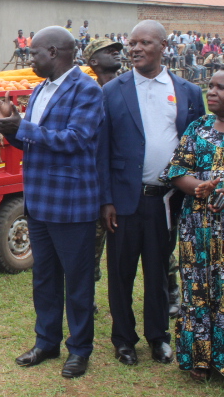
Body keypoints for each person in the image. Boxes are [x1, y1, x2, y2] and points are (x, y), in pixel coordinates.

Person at [0, 26, 103, 379]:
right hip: (39, 201)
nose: (29, 58)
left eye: (34, 53)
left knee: (77, 282)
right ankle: (46, 342)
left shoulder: (87, 91)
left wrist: (23, 126)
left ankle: (79, 350)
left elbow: (75, 140)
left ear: (54, 52)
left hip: (71, 203)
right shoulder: (39, 90)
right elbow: (34, 143)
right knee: (44, 279)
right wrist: (11, 126)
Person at [98, 20, 205, 367]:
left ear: (163, 46)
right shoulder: (113, 91)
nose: (136, 49)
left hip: (166, 200)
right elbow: (101, 149)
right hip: (124, 201)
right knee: (121, 272)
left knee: (159, 271)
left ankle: (158, 337)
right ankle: (124, 340)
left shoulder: (187, 91)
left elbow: (194, 146)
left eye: (145, 43)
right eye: (132, 43)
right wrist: (107, 199)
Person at [161, 70, 224, 380]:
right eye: (210, 86)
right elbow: (177, 170)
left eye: (220, 88)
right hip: (197, 227)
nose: (211, 92)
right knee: (197, 289)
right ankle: (200, 359)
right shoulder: (197, 128)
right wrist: (198, 186)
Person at [83, 38, 123, 306]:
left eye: (118, 50)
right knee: (91, 249)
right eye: (108, 51)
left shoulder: (131, 89)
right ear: (94, 61)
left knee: (152, 247)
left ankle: (170, 291)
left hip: (126, 181)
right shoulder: (87, 94)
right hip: (97, 185)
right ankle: (87, 298)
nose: (116, 53)